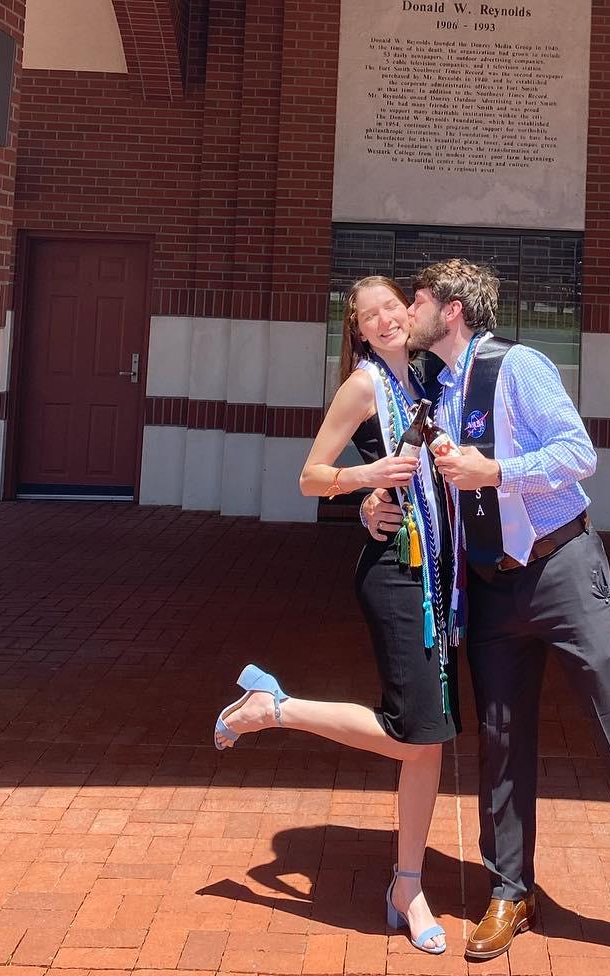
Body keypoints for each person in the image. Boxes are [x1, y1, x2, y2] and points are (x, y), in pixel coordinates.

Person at [356, 258, 610, 974]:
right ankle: (511, 890)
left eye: (416, 300)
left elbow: (579, 453)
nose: (407, 313)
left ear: (451, 309)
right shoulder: (433, 390)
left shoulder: (519, 367)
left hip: (561, 568)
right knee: (502, 739)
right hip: (491, 586)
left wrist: (497, 472)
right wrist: (370, 502)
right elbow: (410, 477)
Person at [212, 276, 456, 956]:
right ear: (358, 329)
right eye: (369, 316)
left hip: (435, 574)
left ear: (408, 310)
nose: (384, 320)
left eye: (391, 308)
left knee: (429, 742)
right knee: (413, 734)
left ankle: (408, 885)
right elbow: (311, 476)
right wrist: (367, 482)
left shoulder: (429, 377)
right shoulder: (363, 386)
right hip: (394, 574)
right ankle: (276, 709)